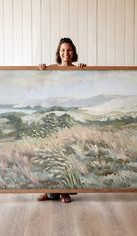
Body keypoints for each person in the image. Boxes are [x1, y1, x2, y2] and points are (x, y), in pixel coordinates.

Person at [37, 37, 86, 203]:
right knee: (49, 153)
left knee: (65, 152)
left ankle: (64, 191)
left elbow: (80, 90)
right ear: (58, 53)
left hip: (68, 116)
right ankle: (50, 191)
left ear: (74, 52)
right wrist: (41, 68)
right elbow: (43, 86)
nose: (66, 53)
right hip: (52, 116)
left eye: (69, 50)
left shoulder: (78, 70)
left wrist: (82, 70)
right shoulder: (51, 69)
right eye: (63, 50)